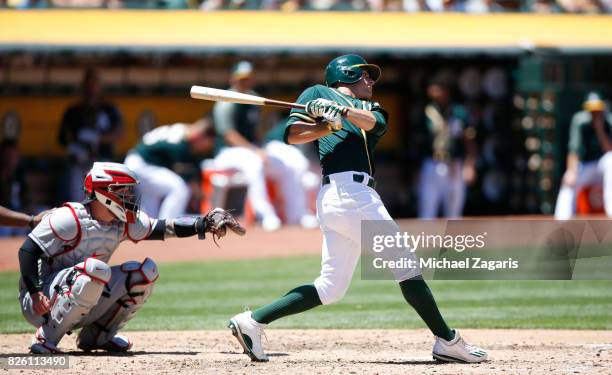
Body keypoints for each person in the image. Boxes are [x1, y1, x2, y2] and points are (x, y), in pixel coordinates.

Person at [227, 54, 488, 364]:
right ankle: (447, 340)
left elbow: (376, 123)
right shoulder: (316, 94)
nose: (371, 81)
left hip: (352, 196)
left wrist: (344, 112)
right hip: (346, 195)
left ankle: (252, 322)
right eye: (365, 75)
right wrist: (325, 123)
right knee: (405, 263)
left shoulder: (371, 108)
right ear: (346, 75)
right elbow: (293, 134)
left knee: (331, 287)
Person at [18, 162, 244, 353]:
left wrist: (202, 223)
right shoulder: (68, 218)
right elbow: (27, 251)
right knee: (95, 270)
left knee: (145, 272)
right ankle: (45, 338)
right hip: (40, 301)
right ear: (102, 191)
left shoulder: (123, 221)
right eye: (121, 191)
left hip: (80, 288)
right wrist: (36, 293)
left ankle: (99, 336)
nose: (127, 196)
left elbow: (163, 227)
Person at [212, 61, 316, 230]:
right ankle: (266, 215)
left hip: (251, 149)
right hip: (227, 152)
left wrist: (262, 149)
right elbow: (228, 135)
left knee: (290, 165)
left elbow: (256, 131)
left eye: (247, 78)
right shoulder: (226, 101)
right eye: (241, 78)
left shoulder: (253, 97)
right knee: (255, 163)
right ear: (233, 80)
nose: (244, 82)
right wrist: (255, 150)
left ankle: (297, 214)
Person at [124, 118, 216, 219]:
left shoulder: (183, 130)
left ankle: (150, 232)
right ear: (201, 136)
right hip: (143, 165)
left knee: (150, 217)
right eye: (206, 144)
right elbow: (190, 183)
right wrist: (203, 197)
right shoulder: (182, 143)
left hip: (139, 163)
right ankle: (168, 227)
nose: (204, 149)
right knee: (179, 189)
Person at [58, 68, 123, 202]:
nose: (91, 89)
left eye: (94, 84)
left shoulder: (109, 109)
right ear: (83, 87)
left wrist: (98, 138)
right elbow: (63, 138)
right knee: (77, 203)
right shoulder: (73, 111)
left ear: (100, 87)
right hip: (78, 163)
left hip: (102, 161)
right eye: (88, 85)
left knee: (102, 202)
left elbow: (119, 134)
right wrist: (75, 147)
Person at [417, 80, 477, 219]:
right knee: (427, 212)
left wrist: (470, 165)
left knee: (453, 214)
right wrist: (417, 169)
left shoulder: (459, 112)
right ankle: (426, 241)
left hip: (454, 164)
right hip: (432, 163)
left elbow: (469, 141)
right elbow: (418, 142)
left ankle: (451, 241)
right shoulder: (427, 111)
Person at [554, 92, 612, 219]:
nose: (595, 113)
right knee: (568, 180)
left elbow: (609, 150)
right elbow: (574, 149)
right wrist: (571, 171)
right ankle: (561, 221)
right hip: (586, 166)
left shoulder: (608, 120)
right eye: (592, 110)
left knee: (611, 160)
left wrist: (600, 129)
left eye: (597, 110)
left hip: (604, 169)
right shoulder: (580, 121)